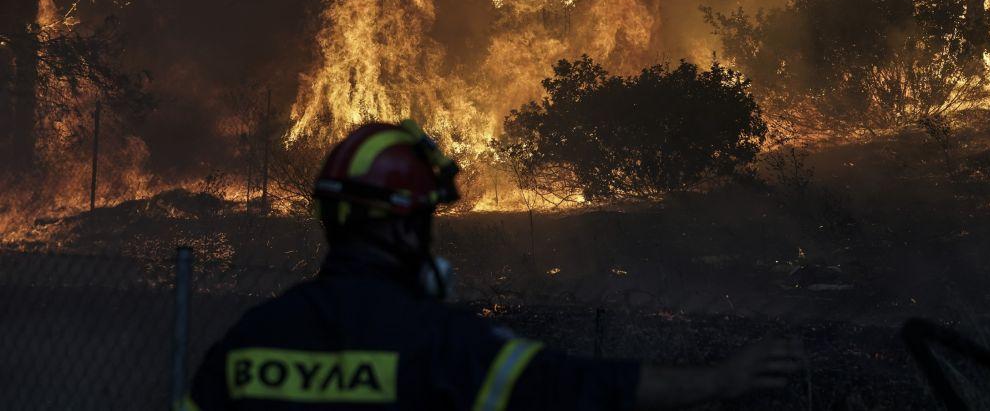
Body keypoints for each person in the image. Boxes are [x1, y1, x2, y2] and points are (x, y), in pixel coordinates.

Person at [185, 120, 802, 410]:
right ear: (406, 225)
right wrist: (721, 381)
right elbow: (584, 387)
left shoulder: (246, 345)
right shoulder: (446, 348)